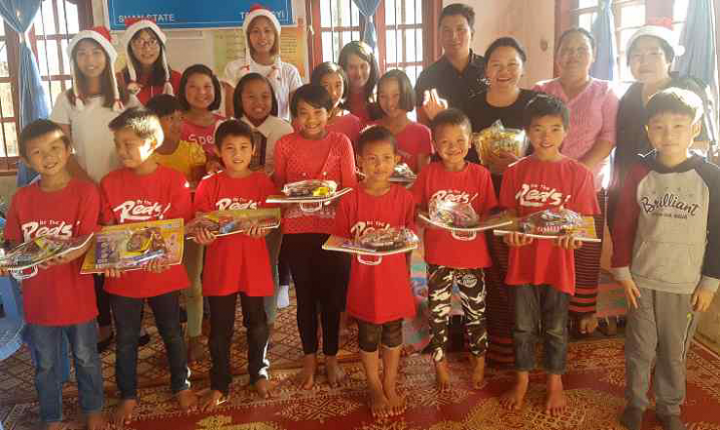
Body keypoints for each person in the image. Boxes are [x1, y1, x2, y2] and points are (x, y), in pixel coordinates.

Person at [612, 88, 720, 430]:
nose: (668, 134)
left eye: (678, 126)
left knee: (674, 351)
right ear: (648, 130)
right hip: (641, 280)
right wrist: (622, 272)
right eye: (659, 126)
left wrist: (710, 282)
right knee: (639, 348)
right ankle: (635, 402)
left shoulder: (711, 177)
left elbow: (718, 233)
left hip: (685, 284)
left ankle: (669, 407)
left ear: (695, 129)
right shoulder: (638, 172)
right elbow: (623, 224)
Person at [498, 95, 599, 416]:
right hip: (522, 265)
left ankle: (555, 382)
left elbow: (583, 224)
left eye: (555, 128)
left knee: (556, 327)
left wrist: (575, 239)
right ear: (527, 132)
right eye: (538, 129)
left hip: (558, 266)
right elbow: (508, 216)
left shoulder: (579, 173)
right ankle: (522, 379)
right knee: (522, 327)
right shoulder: (515, 171)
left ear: (566, 131)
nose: (546, 136)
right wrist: (510, 233)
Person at [3, 120, 104, 430]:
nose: (47, 156)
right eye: (37, 152)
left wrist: (69, 253)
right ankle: (52, 418)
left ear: (68, 149)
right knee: (45, 364)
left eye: (54, 148)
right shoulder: (22, 198)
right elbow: (14, 244)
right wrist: (13, 261)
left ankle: (93, 409)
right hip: (39, 303)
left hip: (79, 299)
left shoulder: (85, 192)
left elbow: (88, 239)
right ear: (25, 160)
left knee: (86, 357)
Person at [100, 108, 197, 425]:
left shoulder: (174, 181)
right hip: (124, 279)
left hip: (163, 275)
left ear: (152, 143)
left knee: (172, 332)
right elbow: (106, 230)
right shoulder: (109, 183)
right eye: (117, 144)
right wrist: (109, 261)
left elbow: (180, 229)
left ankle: (181, 384)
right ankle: (127, 394)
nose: (121, 150)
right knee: (126, 338)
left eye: (128, 143)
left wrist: (163, 255)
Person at [50, 25, 140, 353]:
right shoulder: (66, 100)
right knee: (96, 256)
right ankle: (103, 324)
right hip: (83, 188)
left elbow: (140, 142)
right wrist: (89, 186)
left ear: (108, 56)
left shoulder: (127, 98)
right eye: (82, 53)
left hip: (125, 188)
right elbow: (61, 149)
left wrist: (121, 183)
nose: (90, 60)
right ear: (74, 59)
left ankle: (131, 322)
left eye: (96, 52)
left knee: (127, 251)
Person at [533, 27, 620, 335]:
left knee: (584, 250)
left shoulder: (605, 92)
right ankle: (545, 311)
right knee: (549, 247)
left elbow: (609, 137)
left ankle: (583, 312)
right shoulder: (542, 89)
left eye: (581, 49)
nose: (573, 55)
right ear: (557, 56)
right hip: (547, 187)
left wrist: (579, 171)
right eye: (566, 49)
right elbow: (533, 132)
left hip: (589, 185)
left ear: (592, 55)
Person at [273, 84, 357, 389]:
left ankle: (331, 359)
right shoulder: (284, 144)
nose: (310, 119)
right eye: (303, 113)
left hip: (334, 229)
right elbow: (280, 188)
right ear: (295, 116)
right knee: (306, 298)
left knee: (333, 298)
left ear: (329, 112)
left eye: (318, 112)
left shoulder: (341, 142)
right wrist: (294, 197)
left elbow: (350, 189)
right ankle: (309, 359)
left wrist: (330, 197)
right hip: (297, 230)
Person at [193, 120, 277, 410]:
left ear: (253, 150)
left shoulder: (262, 183)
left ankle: (259, 373)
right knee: (220, 329)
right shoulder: (209, 185)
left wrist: (263, 229)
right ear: (218, 151)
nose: (237, 154)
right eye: (230, 148)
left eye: (243, 147)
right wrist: (203, 235)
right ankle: (219, 383)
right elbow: (200, 224)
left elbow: (271, 220)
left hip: (253, 266)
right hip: (220, 268)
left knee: (257, 323)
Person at [411, 108, 496, 391]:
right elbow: (416, 209)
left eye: (460, 140)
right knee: (438, 313)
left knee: (476, 312)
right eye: (445, 142)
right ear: (435, 145)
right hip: (439, 257)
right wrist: (425, 219)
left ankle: (479, 360)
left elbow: (490, 213)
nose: (453, 147)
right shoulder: (428, 174)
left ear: (470, 141)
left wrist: (478, 222)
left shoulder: (481, 175)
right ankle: (440, 364)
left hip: (473, 257)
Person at [334, 126, 416, 418]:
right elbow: (339, 240)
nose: (379, 165)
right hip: (364, 282)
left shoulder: (404, 199)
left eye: (386, 158)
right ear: (360, 161)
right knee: (368, 336)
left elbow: (411, 241)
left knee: (393, 333)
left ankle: (389, 384)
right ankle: (373, 385)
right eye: (372, 158)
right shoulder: (350, 199)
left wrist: (409, 277)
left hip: (394, 282)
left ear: (396, 160)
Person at [608, 24, 711, 231]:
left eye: (654, 54)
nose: (644, 61)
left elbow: (702, 143)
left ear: (669, 58)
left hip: (674, 192)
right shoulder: (630, 94)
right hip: (631, 186)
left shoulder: (687, 89)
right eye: (636, 55)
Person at [146, 94, 207, 362]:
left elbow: (200, 188)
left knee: (192, 285)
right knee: (164, 290)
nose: (177, 124)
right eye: (169, 118)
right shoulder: (146, 156)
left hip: (190, 228)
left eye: (180, 118)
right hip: (159, 233)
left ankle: (195, 337)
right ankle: (172, 339)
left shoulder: (192, 150)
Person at [233, 72, 294, 331]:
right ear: (240, 99)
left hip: (271, 206)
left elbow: (290, 171)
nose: (259, 102)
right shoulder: (231, 128)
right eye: (251, 96)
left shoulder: (284, 129)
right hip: (238, 207)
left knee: (268, 264)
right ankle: (249, 317)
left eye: (265, 96)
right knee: (241, 266)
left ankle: (267, 320)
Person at [222, 5, 302, 120]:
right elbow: (231, 116)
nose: (262, 36)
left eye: (267, 31)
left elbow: (297, 116)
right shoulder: (234, 68)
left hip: (280, 131)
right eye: (255, 31)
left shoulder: (289, 72)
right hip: (244, 131)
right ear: (248, 36)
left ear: (275, 35)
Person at [415, 3, 486, 125]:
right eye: (447, 30)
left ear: (472, 34)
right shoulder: (427, 77)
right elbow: (423, 125)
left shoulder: (488, 68)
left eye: (460, 29)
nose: (453, 36)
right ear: (439, 35)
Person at [372, 69, 432, 174]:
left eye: (396, 95)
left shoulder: (422, 133)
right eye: (383, 96)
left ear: (407, 94)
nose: (390, 103)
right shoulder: (369, 129)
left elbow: (423, 178)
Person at [120, 19, 182, 105]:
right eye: (139, 42)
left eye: (152, 41)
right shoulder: (118, 81)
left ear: (161, 46)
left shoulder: (177, 79)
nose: (147, 48)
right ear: (130, 48)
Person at [178, 64, 225, 171]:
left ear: (215, 89)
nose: (201, 92)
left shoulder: (225, 124)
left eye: (207, 86)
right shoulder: (176, 125)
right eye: (193, 87)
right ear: (183, 90)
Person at [311, 61, 362, 148]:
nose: (333, 93)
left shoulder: (353, 122)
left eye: (338, 85)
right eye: (326, 86)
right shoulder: (303, 121)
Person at [338, 41, 380, 126]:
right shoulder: (336, 98)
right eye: (352, 67)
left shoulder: (382, 97)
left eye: (363, 66)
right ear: (343, 69)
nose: (358, 74)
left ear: (371, 67)